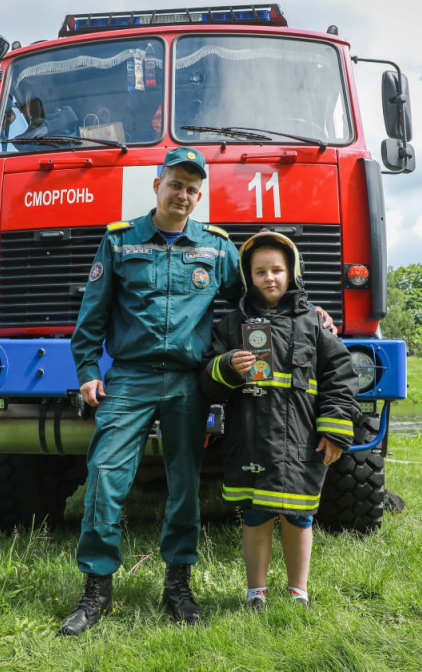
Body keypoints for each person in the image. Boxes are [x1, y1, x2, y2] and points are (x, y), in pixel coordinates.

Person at [61, 147, 335, 636]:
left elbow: (256, 293)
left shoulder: (215, 247)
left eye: (192, 189)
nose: (182, 195)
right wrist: (87, 370)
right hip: (130, 378)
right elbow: (92, 317)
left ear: (199, 195)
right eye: (175, 185)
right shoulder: (120, 243)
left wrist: (308, 312)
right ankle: (96, 590)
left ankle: (178, 585)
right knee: (105, 478)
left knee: (184, 483)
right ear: (157, 185)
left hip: (188, 381)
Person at [200, 230, 360, 611]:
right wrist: (226, 367)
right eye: (260, 272)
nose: (269, 278)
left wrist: (335, 429)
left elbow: (341, 376)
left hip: (301, 440)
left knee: (300, 515)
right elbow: (206, 380)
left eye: (277, 270)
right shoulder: (230, 324)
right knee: (255, 515)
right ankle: (256, 593)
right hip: (249, 438)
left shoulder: (314, 324)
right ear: (248, 277)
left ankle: (298, 592)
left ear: (292, 272)